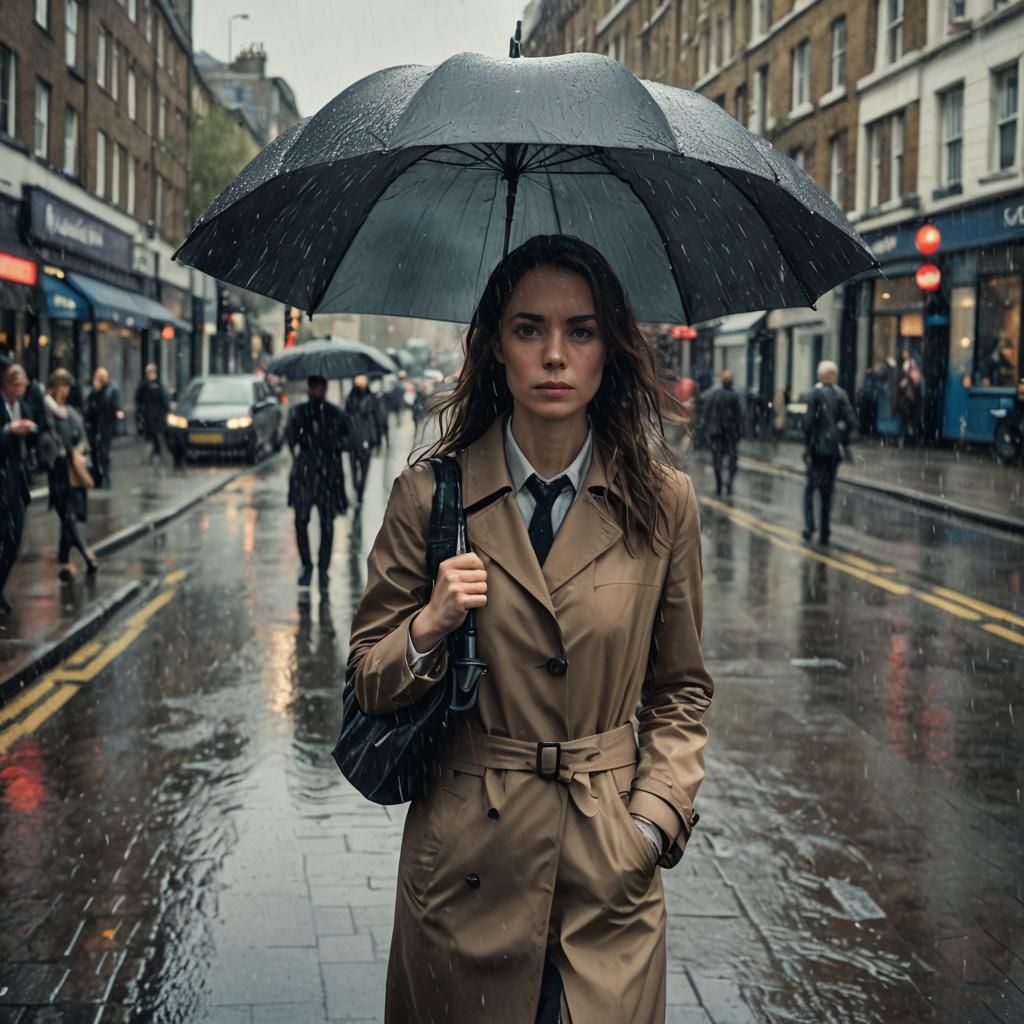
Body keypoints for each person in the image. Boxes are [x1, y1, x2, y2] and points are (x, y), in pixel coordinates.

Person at [347, 234, 714, 1024]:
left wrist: (650, 822)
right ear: (495, 349)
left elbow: (680, 690)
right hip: (465, 874)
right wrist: (429, 626)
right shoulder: (428, 495)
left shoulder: (664, 502)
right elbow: (368, 679)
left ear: (609, 350)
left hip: (606, 871)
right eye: (528, 329)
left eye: (580, 331)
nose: (555, 354)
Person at [286, 375, 350, 588]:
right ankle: (307, 566)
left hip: (328, 477)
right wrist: (303, 437)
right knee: (301, 522)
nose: (317, 392)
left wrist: (331, 441)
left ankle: (323, 569)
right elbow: (290, 439)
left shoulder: (334, 414)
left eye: (320, 388)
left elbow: (348, 439)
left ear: (325, 388)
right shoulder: (299, 413)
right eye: (314, 388)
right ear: (309, 388)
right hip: (305, 476)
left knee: (326, 524)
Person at [39, 369, 97, 581]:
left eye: (68, 386)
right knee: (68, 516)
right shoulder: (47, 411)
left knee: (72, 518)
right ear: (54, 387)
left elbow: (83, 438)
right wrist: (62, 453)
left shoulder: (71, 412)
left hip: (76, 472)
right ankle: (86, 554)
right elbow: (47, 440)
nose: (66, 390)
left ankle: (64, 560)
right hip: (60, 473)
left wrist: (78, 451)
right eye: (62, 386)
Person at [802, 359, 856, 546]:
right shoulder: (841, 395)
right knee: (827, 491)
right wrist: (840, 436)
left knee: (811, 490)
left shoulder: (813, 395)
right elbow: (850, 421)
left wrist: (808, 444)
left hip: (818, 450)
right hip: (833, 451)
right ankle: (825, 532)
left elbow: (807, 424)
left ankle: (810, 527)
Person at [0, 362, 38, 613]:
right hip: (1, 480)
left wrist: (30, 430)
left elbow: (34, 437)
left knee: (14, 542)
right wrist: (8, 430)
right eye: (20, 385)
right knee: (3, 537)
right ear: (10, 384)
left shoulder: (21, 405)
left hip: (17, 481)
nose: (23, 389)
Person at [701, 369, 743, 497]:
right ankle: (728, 484)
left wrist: (706, 429)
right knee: (732, 461)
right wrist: (739, 433)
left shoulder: (715, 395)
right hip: (730, 434)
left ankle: (719, 486)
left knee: (717, 461)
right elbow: (740, 416)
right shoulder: (734, 396)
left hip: (717, 434)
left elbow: (706, 413)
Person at [84, 367, 124, 488]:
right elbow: (89, 409)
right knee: (95, 452)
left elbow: (114, 406)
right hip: (94, 426)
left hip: (105, 426)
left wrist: (117, 412)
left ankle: (106, 478)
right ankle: (98, 478)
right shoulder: (94, 393)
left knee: (103, 453)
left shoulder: (110, 391)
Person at [345, 374, 379, 505]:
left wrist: (376, 438)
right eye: (358, 381)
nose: (360, 383)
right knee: (354, 469)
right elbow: (345, 419)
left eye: (362, 381)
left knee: (364, 469)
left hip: (367, 439)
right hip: (353, 440)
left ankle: (360, 491)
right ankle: (356, 487)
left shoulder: (372, 400)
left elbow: (377, 419)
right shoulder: (350, 399)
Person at [135, 363, 170, 462]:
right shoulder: (144, 385)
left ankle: (157, 453)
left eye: (151, 372)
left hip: (157, 415)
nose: (150, 375)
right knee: (150, 435)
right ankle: (155, 453)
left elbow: (164, 399)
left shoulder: (158, 385)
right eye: (148, 373)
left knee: (156, 434)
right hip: (148, 415)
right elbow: (138, 398)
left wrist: (165, 411)